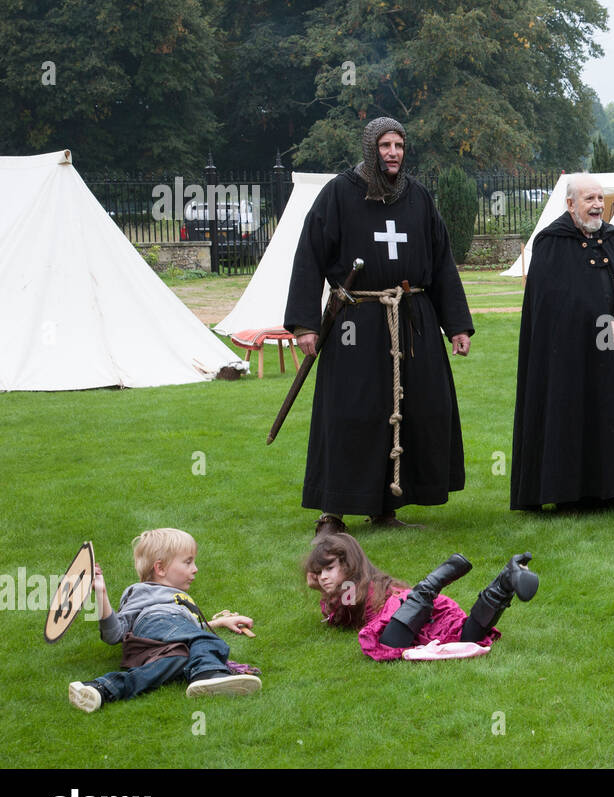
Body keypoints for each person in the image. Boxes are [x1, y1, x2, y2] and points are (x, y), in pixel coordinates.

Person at [285, 117, 474, 533]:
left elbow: (441, 263)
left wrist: (456, 325)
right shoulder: (338, 194)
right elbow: (309, 257)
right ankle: (332, 511)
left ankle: (387, 506)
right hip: (357, 320)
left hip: (411, 318)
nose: (393, 152)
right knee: (350, 412)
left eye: (400, 145)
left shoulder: (418, 198)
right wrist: (304, 325)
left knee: (407, 410)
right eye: (386, 145)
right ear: (371, 148)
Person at [510, 173, 614, 510]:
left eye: (600, 199)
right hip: (571, 359)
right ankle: (571, 492)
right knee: (574, 416)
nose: (597, 206)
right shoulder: (551, 245)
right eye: (589, 199)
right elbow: (551, 306)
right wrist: (596, 323)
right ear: (570, 204)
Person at [68, 529, 260, 712]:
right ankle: (207, 673)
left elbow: (179, 631)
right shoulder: (144, 591)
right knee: (205, 641)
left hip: (161, 645)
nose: (195, 569)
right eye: (188, 562)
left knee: (178, 659)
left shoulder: (174, 608)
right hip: (154, 624)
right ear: (160, 568)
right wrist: (101, 593)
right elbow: (115, 634)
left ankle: (102, 689)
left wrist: (218, 623)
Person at [304, 533, 538, 662]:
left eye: (329, 568)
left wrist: (322, 590)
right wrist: (321, 585)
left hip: (409, 609)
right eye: (319, 572)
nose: (323, 577)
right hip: (426, 611)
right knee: (469, 636)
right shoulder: (368, 587)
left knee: (387, 644)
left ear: (349, 564)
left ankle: (431, 584)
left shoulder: (359, 590)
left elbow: (338, 612)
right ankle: (504, 583)